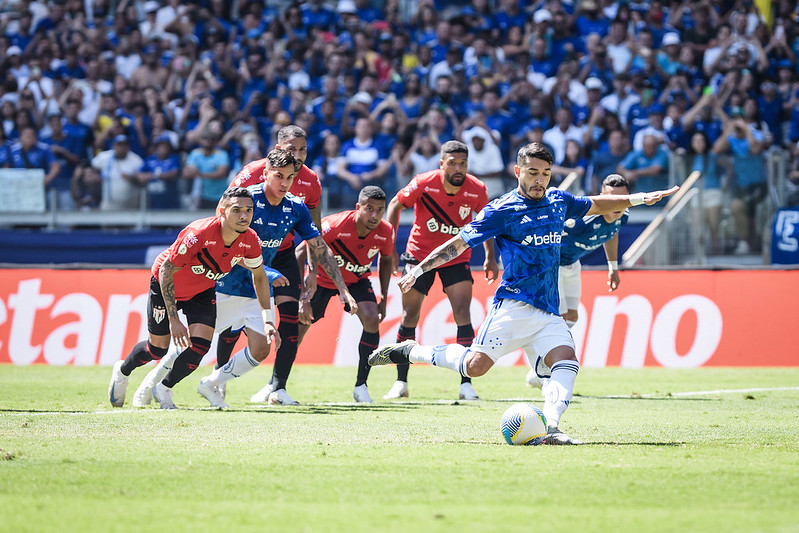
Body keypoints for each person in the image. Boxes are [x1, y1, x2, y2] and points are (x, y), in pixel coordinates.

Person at [369, 142, 677, 444]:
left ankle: (552, 427)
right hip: (514, 305)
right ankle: (412, 350)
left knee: (567, 362)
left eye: (545, 173)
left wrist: (640, 198)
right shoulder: (502, 209)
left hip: (547, 309)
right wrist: (418, 269)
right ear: (518, 171)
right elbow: (459, 243)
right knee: (475, 367)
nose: (539, 180)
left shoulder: (558, 199)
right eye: (532, 172)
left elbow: (597, 203)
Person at [194, 148, 357, 408]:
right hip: (233, 272)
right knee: (201, 339)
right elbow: (224, 231)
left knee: (278, 332)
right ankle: (154, 383)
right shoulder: (248, 200)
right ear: (266, 173)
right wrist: (265, 271)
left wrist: (342, 287)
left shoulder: (297, 202)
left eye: (289, 177)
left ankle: (270, 387)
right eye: (279, 176)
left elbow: (318, 244)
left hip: (277, 262)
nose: (284, 182)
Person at [107, 187, 276, 409]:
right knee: (157, 348)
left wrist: (268, 319)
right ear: (221, 211)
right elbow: (166, 270)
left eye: (249, 210)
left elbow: (260, 277)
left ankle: (164, 389)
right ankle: (122, 371)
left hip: (202, 290)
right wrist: (174, 319)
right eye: (237, 210)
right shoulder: (198, 233)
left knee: (199, 348)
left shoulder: (250, 239)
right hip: (166, 283)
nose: (244, 216)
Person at [383, 140, 499, 401]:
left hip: (456, 257)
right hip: (419, 256)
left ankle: (465, 384)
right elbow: (394, 204)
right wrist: (390, 248)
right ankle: (401, 382)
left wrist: (491, 257)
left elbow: (487, 222)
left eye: (463, 164)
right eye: (453, 163)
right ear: (441, 164)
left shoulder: (477, 188)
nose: (458, 168)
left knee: (463, 314)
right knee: (409, 316)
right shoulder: (424, 182)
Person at [226, 125, 324, 406]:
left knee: (291, 319)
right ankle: (219, 378)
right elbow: (224, 211)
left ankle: (277, 387)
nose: (299, 155)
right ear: (278, 149)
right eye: (292, 149)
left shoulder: (311, 181)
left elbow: (314, 230)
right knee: (232, 322)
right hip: (246, 254)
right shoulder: (252, 172)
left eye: (303, 149)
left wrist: (312, 272)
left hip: (283, 253)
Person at [525, 174, 630, 388]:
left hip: (572, 264)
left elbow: (612, 234)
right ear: (601, 197)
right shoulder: (581, 220)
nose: (617, 203)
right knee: (555, 320)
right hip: (551, 267)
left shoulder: (623, 215)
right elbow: (544, 227)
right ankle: (545, 371)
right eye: (611, 198)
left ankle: (539, 367)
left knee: (571, 317)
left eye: (623, 198)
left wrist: (613, 266)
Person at [294, 186, 394, 403]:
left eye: (380, 210)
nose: (375, 215)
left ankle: (361, 386)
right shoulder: (334, 225)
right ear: (358, 207)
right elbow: (301, 251)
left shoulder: (386, 231)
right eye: (369, 209)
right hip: (321, 280)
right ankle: (277, 385)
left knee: (371, 320)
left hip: (357, 280)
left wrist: (384, 297)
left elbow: (386, 260)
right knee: (298, 330)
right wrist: (302, 294)